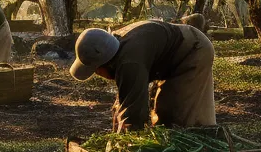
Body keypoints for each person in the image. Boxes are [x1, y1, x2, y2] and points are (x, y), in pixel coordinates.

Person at [70, 19, 216, 131]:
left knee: (177, 118)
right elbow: (126, 96)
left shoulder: (130, 61)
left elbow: (134, 112)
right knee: (162, 113)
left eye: (96, 70)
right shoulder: (113, 45)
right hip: (172, 56)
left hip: (193, 50)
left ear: (104, 62)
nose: (98, 74)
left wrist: (127, 146)